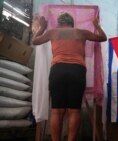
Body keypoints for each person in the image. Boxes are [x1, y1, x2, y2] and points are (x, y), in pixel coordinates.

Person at [32, 13, 107, 141]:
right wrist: (97, 26)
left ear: (59, 23)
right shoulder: (81, 32)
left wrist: (42, 28)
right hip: (77, 71)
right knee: (74, 110)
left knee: (57, 111)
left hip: (58, 70)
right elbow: (102, 38)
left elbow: (35, 41)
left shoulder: (53, 32)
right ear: (72, 24)